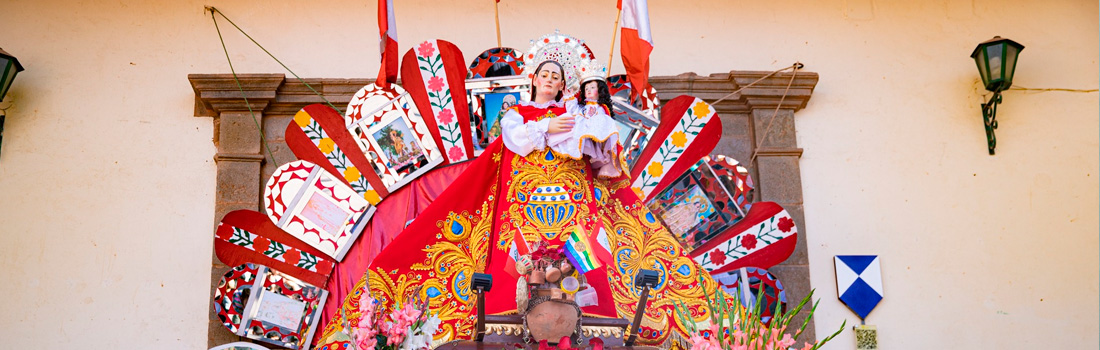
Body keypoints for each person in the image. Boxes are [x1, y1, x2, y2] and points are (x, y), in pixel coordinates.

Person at [315, 56, 720, 348]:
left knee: (588, 265)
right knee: (512, 276)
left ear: (563, 86)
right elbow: (516, 140)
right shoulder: (517, 115)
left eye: (555, 77)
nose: (548, 80)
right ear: (534, 80)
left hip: (574, 216)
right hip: (522, 217)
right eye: (543, 74)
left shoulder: (578, 114)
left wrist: (592, 126)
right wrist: (547, 125)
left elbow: (599, 152)